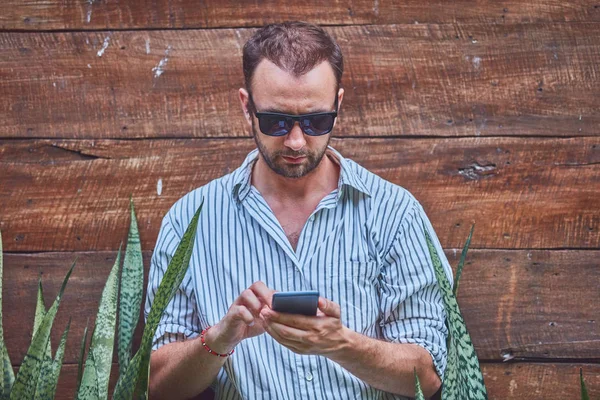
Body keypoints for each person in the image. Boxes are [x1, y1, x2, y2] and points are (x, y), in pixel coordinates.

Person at [145, 20, 453, 400]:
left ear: (338, 105)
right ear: (247, 107)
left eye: (315, 121)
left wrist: (342, 344)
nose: (295, 140)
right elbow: (155, 386)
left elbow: (430, 374)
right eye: (275, 121)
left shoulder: (395, 214)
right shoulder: (188, 222)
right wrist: (218, 341)